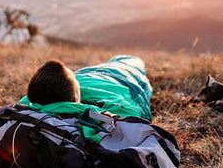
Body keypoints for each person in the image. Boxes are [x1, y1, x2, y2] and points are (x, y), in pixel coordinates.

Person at [18, 55, 153, 142]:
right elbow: (135, 117)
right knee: (133, 60)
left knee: (118, 59)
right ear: (76, 99)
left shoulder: (30, 103)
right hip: (122, 77)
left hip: (90, 72)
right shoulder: (99, 110)